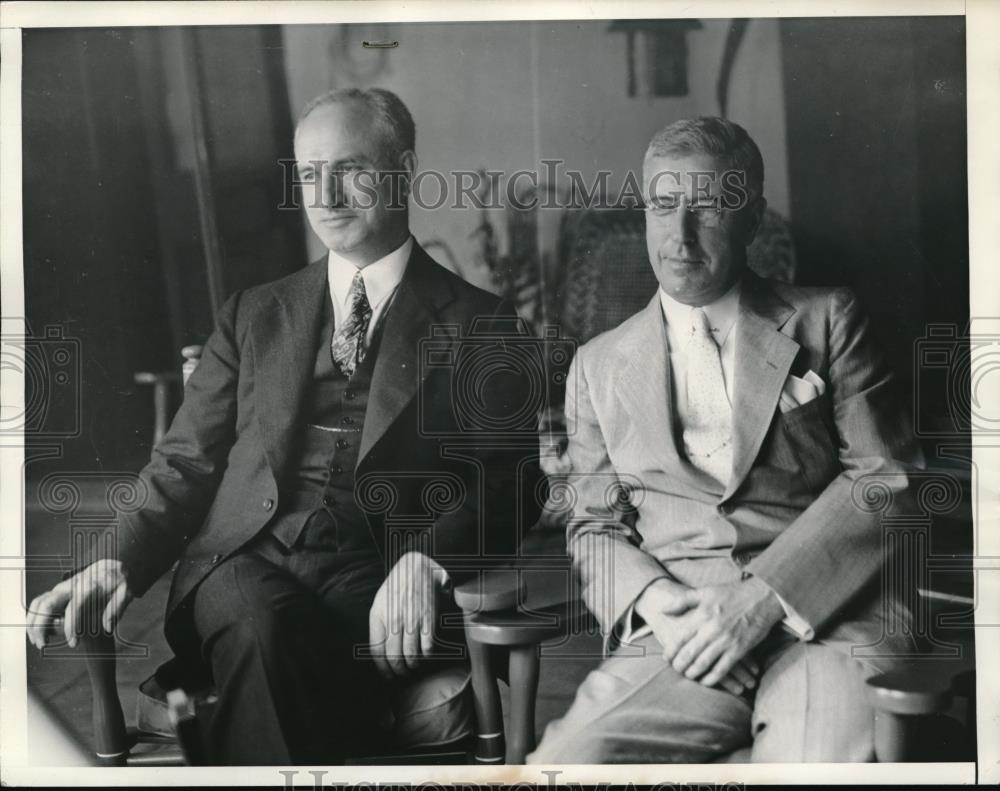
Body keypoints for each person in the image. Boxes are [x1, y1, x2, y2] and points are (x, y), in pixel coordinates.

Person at [27, 87, 543, 764]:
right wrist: (115, 557)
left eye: (350, 168)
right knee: (260, 618)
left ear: (405, 169)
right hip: (239, 561)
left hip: (376, 572)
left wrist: (428, 559)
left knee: (270, 639)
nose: (325, 194)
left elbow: (513, 482)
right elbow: (183, 462)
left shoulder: (482, 322)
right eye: (308, 174)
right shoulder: (253, 313)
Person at [528, 117, 924, 763]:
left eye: (707, 207)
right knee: (564, 762)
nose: (679, 235)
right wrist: (660, 605)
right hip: (682, 631)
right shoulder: (597, 366)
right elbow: (593, 526)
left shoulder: (828, 319)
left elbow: (886, 479)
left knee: (812, 762)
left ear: (753, 219)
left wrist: (760, 600)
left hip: (829, 618)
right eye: (663, 205)